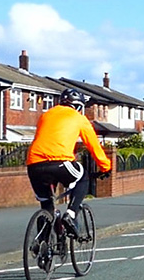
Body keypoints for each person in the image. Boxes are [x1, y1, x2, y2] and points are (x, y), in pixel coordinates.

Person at [26, 87, 112, 237]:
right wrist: (105, 167)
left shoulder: (46, 115)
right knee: (82, 177)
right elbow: (93, 145)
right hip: (60, 161)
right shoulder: (79, 118)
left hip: (34, 164)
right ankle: (71, 215)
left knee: (46, 206)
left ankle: (43, 248)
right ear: (78, 106)